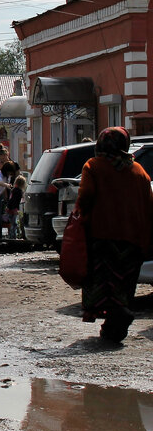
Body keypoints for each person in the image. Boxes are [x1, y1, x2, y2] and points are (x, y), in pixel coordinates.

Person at [74, 127, 153, 343]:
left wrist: (79, 215)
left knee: (104, 283)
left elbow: (86, 196)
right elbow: (149, 206)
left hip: (102, 236)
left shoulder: (94, 166)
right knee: (125, 284)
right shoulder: (140, 172)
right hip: (133, 240)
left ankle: (117, 318)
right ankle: (115, 324)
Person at [5, 175, 26, 240]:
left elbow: (11, 199)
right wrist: (15, 209)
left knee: (12, 224)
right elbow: (15, 201)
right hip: (14, 209)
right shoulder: (19, 191)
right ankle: (13, 237)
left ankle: (11, 236)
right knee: (14, 224)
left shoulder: (13, 190)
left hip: (9, 208)